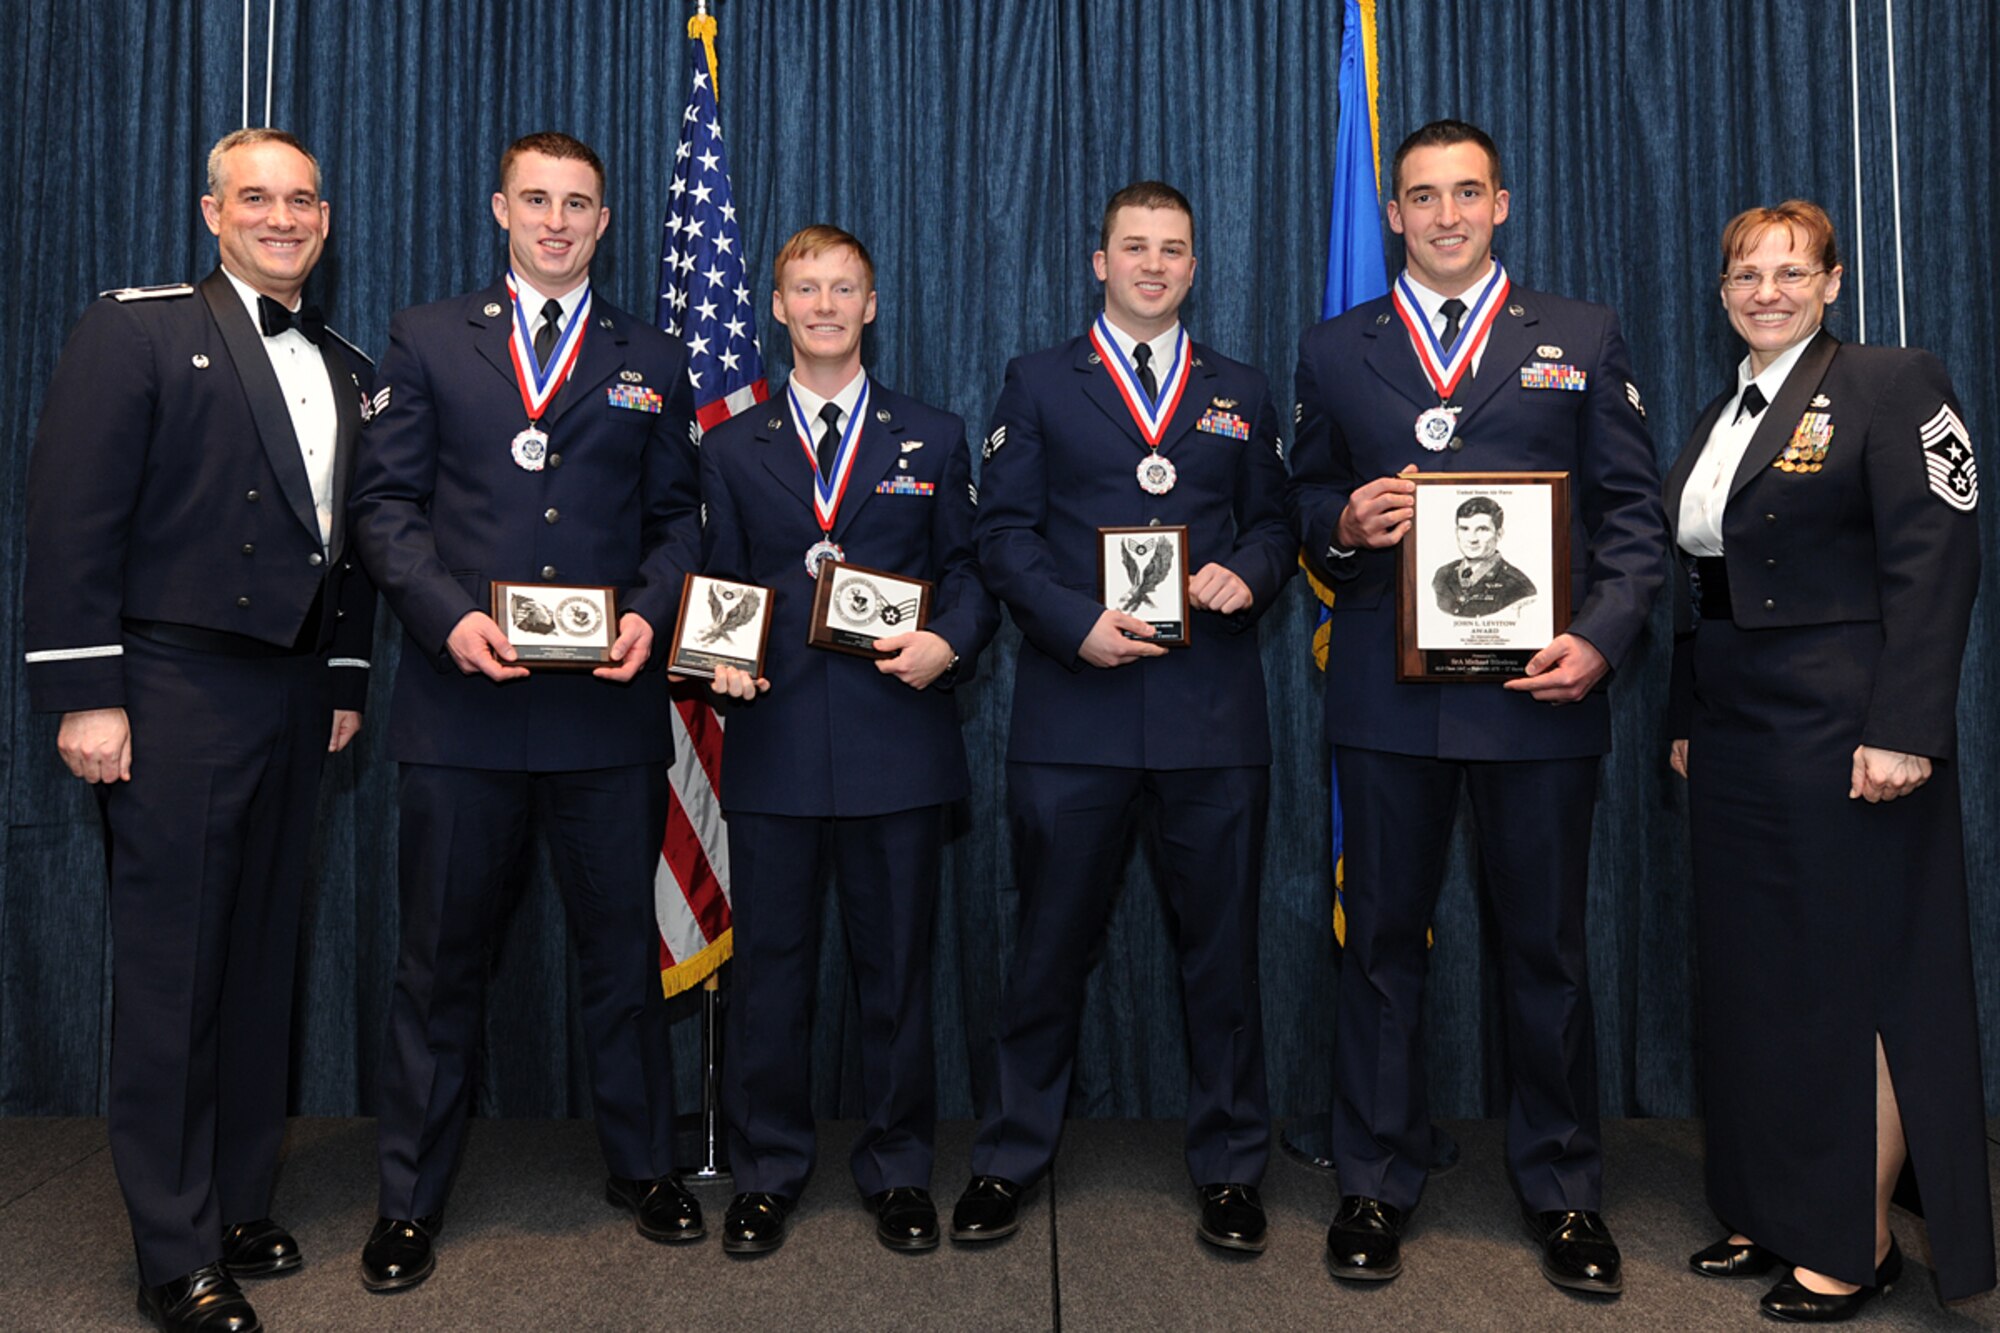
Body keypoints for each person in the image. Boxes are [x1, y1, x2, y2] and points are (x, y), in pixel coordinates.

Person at [1287, 119, 1664, 1294]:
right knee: (1381, 949)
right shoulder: (1335, 346)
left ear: (1500, 203)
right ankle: (1372, 1182)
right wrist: (1340, 526)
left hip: (1538, 699)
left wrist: (1598, 641)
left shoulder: (1580, 335)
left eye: (1465, 194)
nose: (1443, 215)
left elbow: (1630, 519)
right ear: (1391, 214)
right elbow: (1298, 494)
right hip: (1384, 702)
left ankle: (1562, 1189)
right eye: (1419, 197)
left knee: (1542, 953)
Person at [23, 127, 375, 1333]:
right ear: (211, 211)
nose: (283, 217)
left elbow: (348, 552)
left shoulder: (345, 360)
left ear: (325, 220)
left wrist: (339, 680)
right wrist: (85, 690)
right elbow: (72, 515)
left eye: (303, 200)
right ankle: (173, 1252)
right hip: (168, 687)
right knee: (175, 973)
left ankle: (232, 1199)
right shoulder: (136, 330)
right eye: (257, 198)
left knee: (260, 961)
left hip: (287, 698)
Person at [348, 131, 701, 1292]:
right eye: (536, 200)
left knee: (618, 954)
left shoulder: (650, 353)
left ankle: (645, 1167)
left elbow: (677, 520)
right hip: (464, 710)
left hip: (605, 712)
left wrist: (653, 610)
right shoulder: (428, 338)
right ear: (500, 207)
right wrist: (446, 614)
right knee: (438, 965)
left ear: (605, 222)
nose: (556, 221)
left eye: (578, 205)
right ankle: (408, 1200)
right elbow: (385, 504)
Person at [1664, 200, 1991, 1319]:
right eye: (1744, 275)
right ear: (1719, 294)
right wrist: (1681, 713)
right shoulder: (1720, 412)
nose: (1765, 290)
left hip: (1850, 732)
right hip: (1736, 734)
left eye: (1788, 271)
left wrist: (1904, 728)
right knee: (1762, 983)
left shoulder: (1891, 383)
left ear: (1832, 281)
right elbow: (1698, 591)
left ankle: (1854, 1240)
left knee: (1860, 982)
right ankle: (1776, 1207)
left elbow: (1936, 560)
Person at [954, 181, 1295, 1253]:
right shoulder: (1038, 382)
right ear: (1095, 261)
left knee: (1221, 957)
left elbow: (1278, 523)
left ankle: (1232, 1169)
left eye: (1173, 250)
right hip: (1075, 712)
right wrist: (1070, 624)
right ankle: (1009, 1156)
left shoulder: (1239, 389)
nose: (1153, 265)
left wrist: (1248, 571)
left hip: (1210, 721)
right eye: (1132, 248)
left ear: (1196, 266)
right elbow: (1001, 537)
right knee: (1047, 950)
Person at [698, 225, 999, 1255]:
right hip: (774, 739)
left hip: (897, 739)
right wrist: (716, 661)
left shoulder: (934, 434)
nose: (823, 304)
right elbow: (720, 586)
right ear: (776, 306)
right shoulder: (729, 446)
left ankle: (899, 1168)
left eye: (843, 288)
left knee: (897, 971)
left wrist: (946, 646)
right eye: (803, 288)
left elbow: (969, 574)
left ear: (870, 304)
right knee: (771, 975)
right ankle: (767, 1171)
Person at [1431, 494, 1536, 617]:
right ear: (1456, 532)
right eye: (1464, 529)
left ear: (1499, 534)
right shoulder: (1442, 576)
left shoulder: (1519, 587)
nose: (1472, 539)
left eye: (1482, 529)